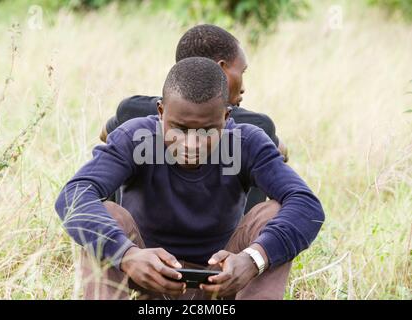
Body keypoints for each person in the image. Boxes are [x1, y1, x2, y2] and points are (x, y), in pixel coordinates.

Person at [55, 57, 325, 300]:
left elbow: (307, 206)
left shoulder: (247, 142)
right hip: (145, 278)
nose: (192, 144)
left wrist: (253, 259)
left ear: (226, 116)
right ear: (161, 113)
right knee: (108, 213)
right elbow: (75, 194)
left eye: (208, 130)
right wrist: (126, 255)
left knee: (273, 212)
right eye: (180, 128)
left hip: (222, 286)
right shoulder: (135, 137)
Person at [99, 24, 288, 211]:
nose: (244, 86)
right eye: (242, 71)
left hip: (137, 235)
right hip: (230, 237)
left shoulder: (131, 109)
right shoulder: (258, 125)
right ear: (220, 71)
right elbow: (280, 155)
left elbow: (105, 135)